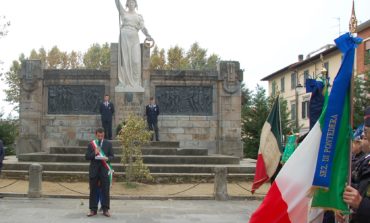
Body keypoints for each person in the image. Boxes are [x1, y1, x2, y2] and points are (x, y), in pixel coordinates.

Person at [115, 0, 153, 91]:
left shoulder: (139, 16)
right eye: (129, 2)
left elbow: (143, 27)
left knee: (136, 61)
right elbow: (117, 3)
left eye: (133, 2)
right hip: (124, 36)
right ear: (127, 4)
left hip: (134, 37)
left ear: (136, 4)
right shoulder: (123, 13)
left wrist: (148, 35)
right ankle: (124, 83)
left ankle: (136, 84)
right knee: (125, 60)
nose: (131, 4)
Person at [85, 128, 114, 217]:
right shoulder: (91, 144)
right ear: (96, 135)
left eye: (102, 136)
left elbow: (112, 156)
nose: (100, 137)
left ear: (104, 135)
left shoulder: (108, 144)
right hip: (94, 171)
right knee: (93, 190)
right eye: (98, 136)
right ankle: (93, 210)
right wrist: (95, 153)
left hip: (104, 170)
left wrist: (107, 158)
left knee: (105, 190)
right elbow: (87, 157)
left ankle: (105, 209)